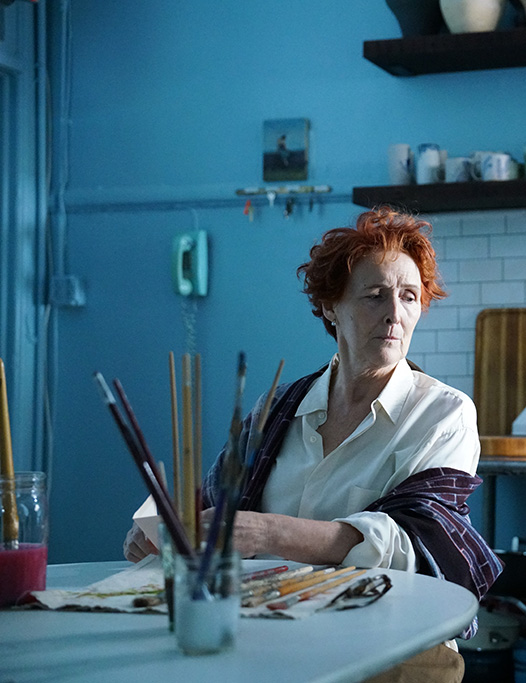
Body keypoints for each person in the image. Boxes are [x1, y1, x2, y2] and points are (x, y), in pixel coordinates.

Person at [124, 206, 501, 681]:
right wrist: (158, 527)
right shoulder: (278, 407)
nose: (395, 313)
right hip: (277, 638)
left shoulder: (443, 413)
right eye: (375, 296)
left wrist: (269, 533)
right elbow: (215, 505)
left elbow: (418, 545)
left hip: (395, 647)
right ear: (329, 307)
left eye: (409, 296)